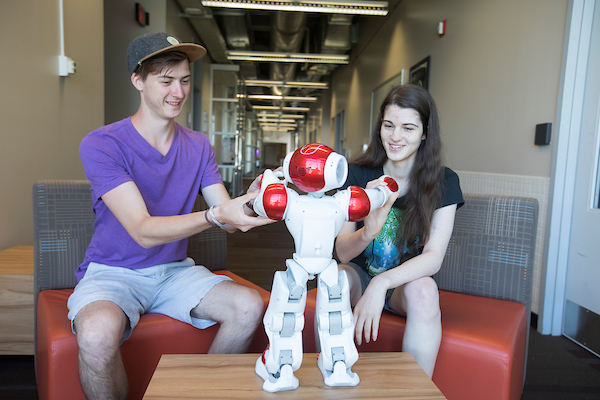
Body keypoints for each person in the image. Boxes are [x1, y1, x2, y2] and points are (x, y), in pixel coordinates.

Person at [67, 32, 275, 400]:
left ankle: (197, 394)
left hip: (173, 273)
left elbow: (227, 218)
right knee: (97, 334)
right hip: (114, 273)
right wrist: (214, 215)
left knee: (248, 306)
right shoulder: (102, 144)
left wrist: (253, 201)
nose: (177, 92)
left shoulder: (197, 145)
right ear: (138, 81)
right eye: (165, 81)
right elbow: (143, 231)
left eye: (183, 81)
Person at [335, 84, 464, 378]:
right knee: (335, 282)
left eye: (408, 128)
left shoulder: (444, 181)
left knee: (425, 290)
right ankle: (334, 380)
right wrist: (368, 231)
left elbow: (433, 258)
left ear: (425, 132)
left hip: (403, 287)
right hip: (359, 276)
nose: (395, 136)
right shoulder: (357, 174)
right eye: (389, 125)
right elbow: (342, 252)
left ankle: (415, 391)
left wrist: (382, 284)